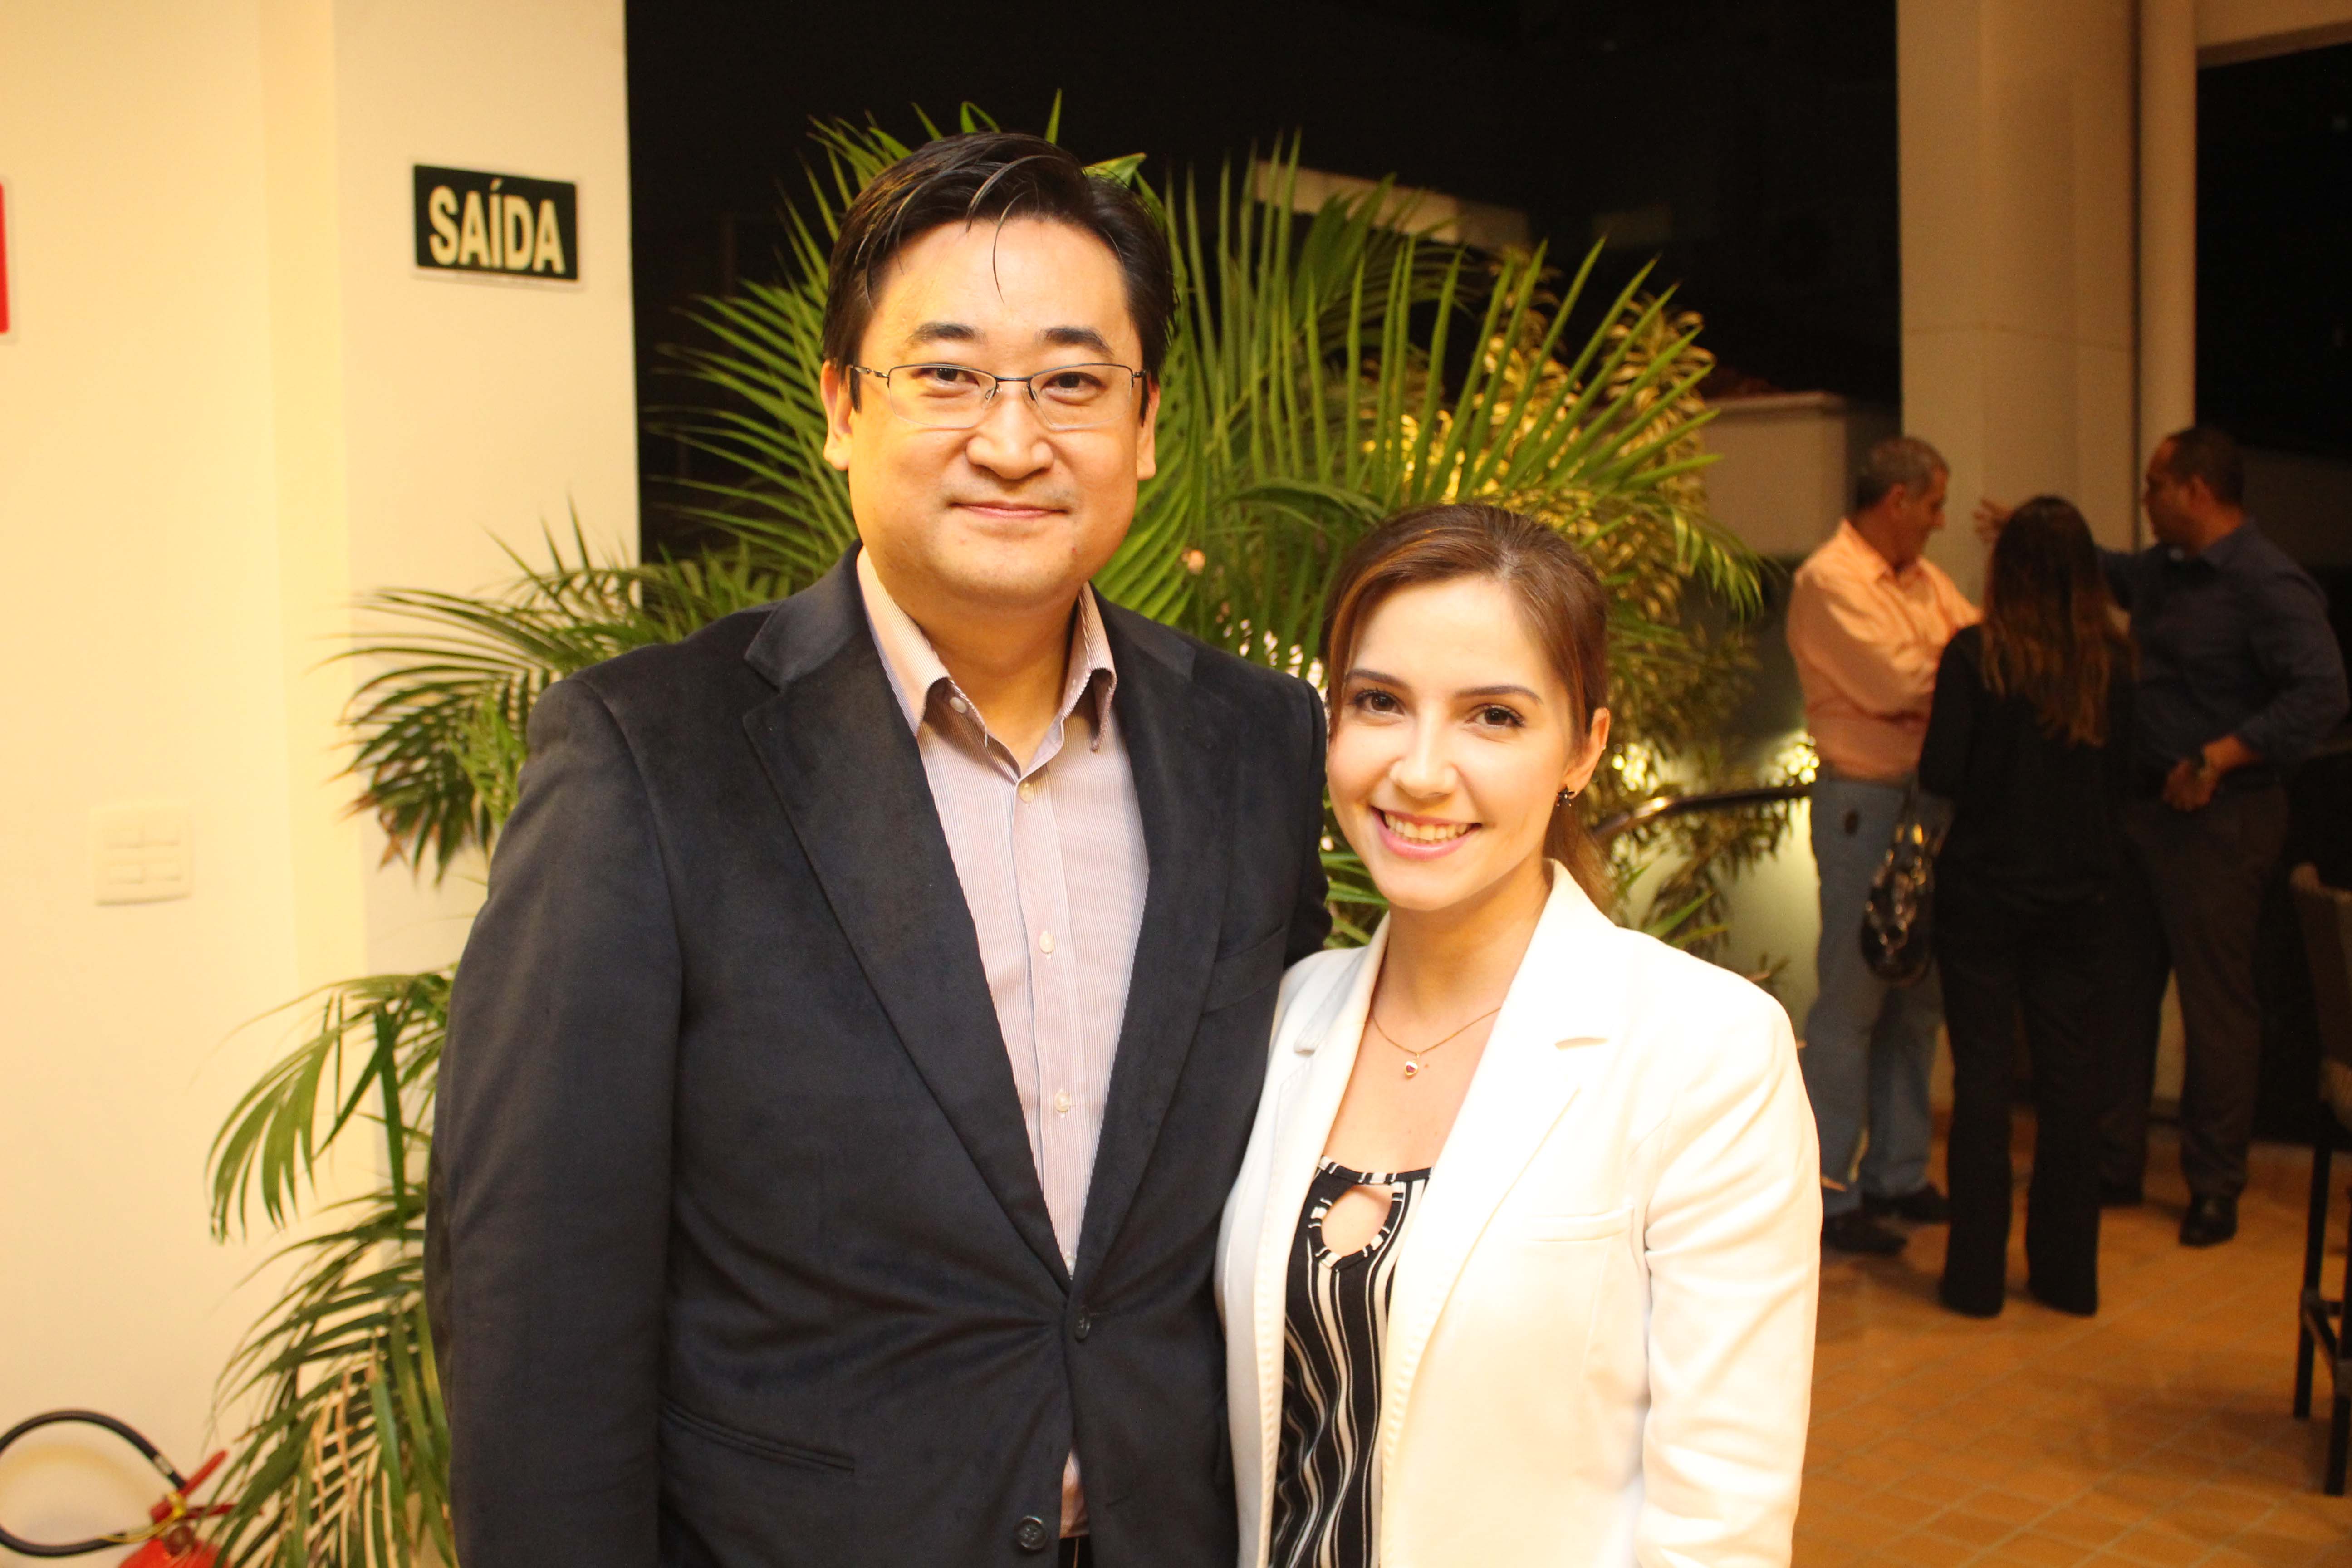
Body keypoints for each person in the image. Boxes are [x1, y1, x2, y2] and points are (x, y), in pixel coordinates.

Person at [426, 132, 1333, 1568]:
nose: (1014, 441)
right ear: (843, 407)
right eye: (950, 375)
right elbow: (538, 1299)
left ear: (1147, 424)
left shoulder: (1256, 744)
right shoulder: (651, 758)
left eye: (1074, 383)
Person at [1218, 505, 1820, 1568]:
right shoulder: (1282, 1016)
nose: (1420, 770)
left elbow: (1719, 1524)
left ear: (1585, 747)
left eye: (1493, 717)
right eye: (1379, 702)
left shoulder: (1706, 1053)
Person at [2085, 429, 2345, 1246]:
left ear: (2197, 490)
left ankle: (2214, 1183)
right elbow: (2114, 572)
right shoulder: (2163, 571)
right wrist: (2044, 534)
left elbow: (2321, 690)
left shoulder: (2266, 582)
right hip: (2142, 811)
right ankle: (2114, 1161)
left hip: (2222, 818)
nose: (2145, 499)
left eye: (2155, 485)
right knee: (2124, 990)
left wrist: (2221, 756)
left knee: (2215, 1004)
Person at [1919, 496, 2134, 1317]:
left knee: (1981, 1083)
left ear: (2006, 569)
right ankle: (2067, 1276)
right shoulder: (2111, 663)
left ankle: (1976, 1280)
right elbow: (2127, 781)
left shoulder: (1977, 655)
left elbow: (1942, 773)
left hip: (1983, 889)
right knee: (2071, 1084)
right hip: (2081, 895)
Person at [1785, 436, 1978, 1254]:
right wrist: (1948, 675)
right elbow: (1903, 683)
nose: (1940, 522)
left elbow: (1974, 660)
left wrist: (1944, 675)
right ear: (1897, 500)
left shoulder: (1924, 580)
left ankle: (1900, 1173)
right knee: (1854, 997)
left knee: (1917, 998)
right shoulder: (1828, 579)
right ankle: (1832, 1194)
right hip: (1864, 804)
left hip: (1926, 799)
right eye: (1933, 505)